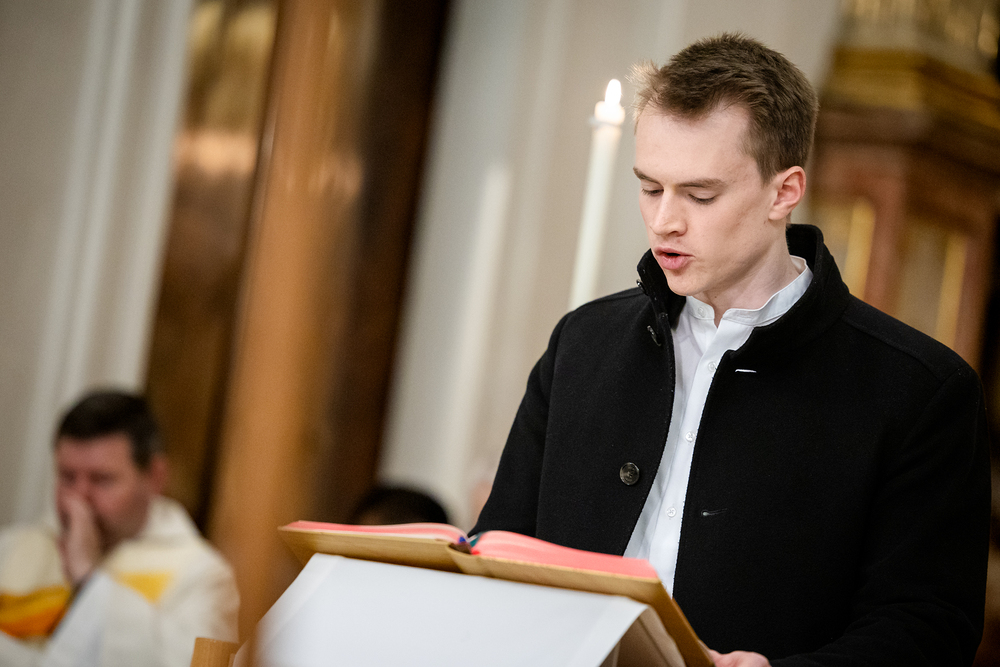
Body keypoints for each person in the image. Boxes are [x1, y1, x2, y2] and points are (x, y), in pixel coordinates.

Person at [473, 33, 990, 666]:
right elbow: (499, 546)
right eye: (650, 188)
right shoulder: (583, 343)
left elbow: (927, 627)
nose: (665, 221)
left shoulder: (919, 391)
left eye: (700, 195)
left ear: (784, 191)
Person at [0, 390, 239, 667]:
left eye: (102, 480)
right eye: (67, 477)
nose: (79, 498)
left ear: (155, 477)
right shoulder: (10, 549)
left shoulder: (205, 578)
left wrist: (88, 580)